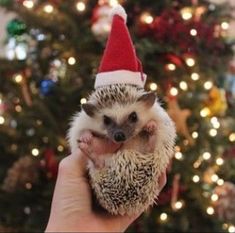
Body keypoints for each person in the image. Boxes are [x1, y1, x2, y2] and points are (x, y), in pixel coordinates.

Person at [45, 133, 167, 232]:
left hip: (110, 167)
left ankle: (98, 164)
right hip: (111, 173)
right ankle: (99, 165)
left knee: (103, 166)